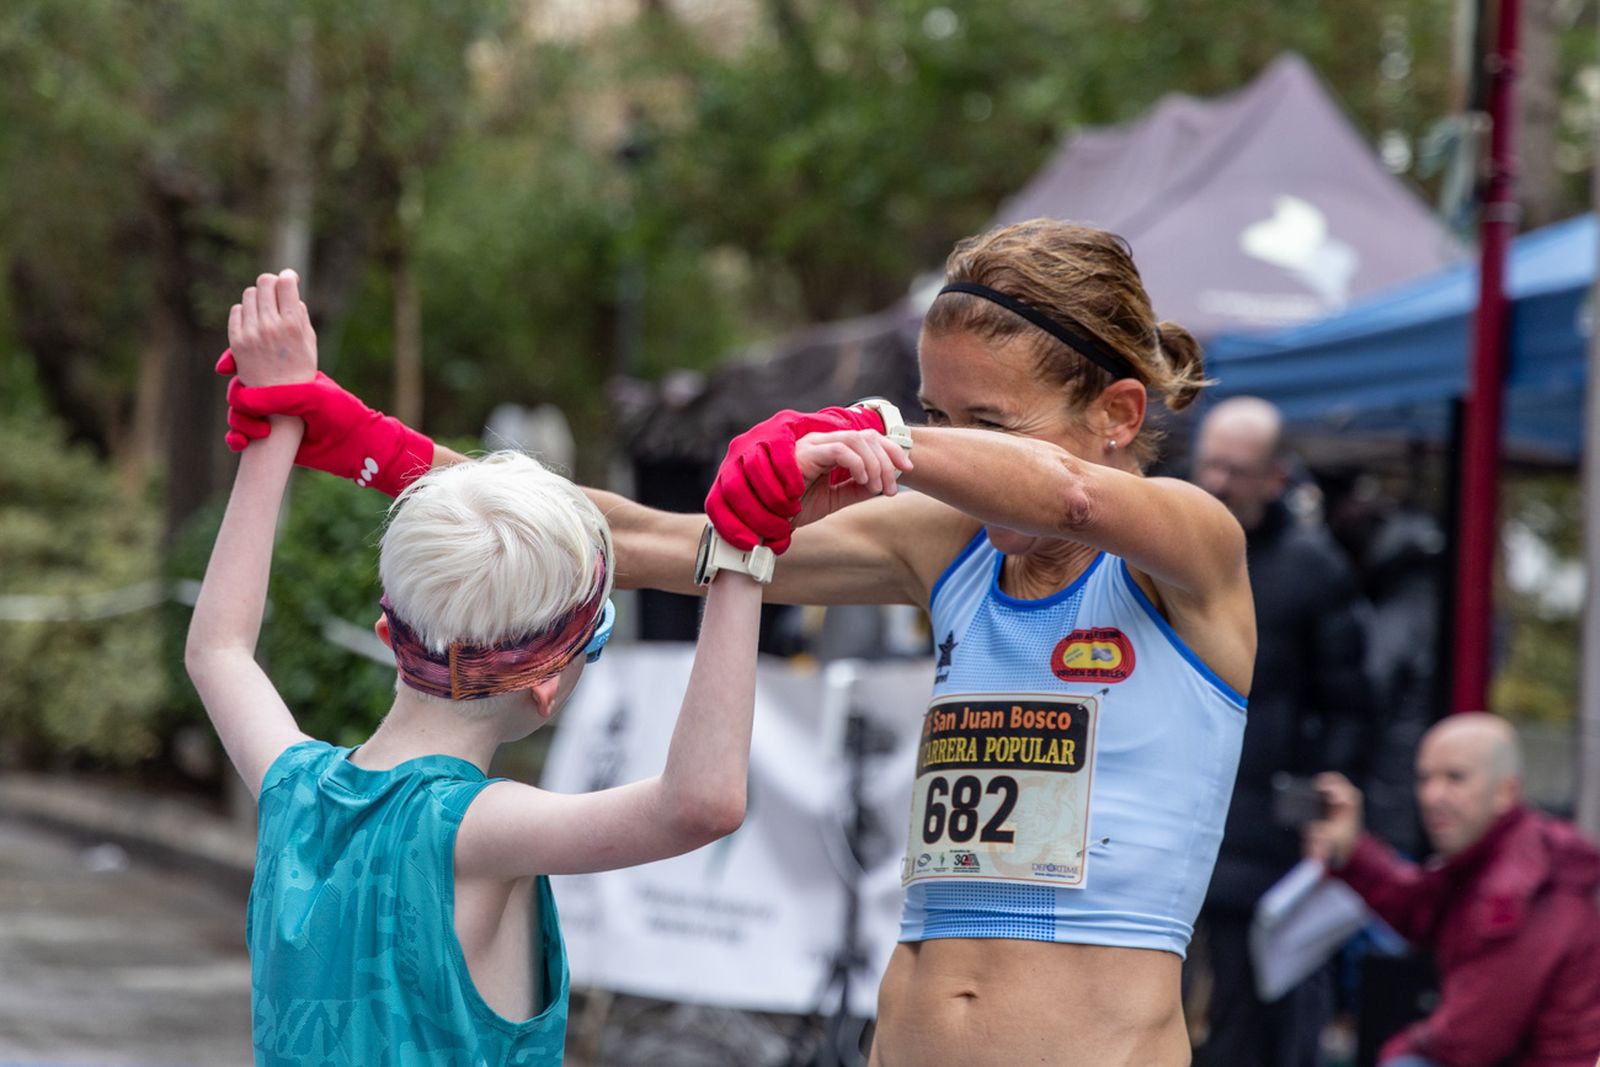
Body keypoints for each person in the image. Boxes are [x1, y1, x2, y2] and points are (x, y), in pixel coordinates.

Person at [222, 220, 1256, 1067]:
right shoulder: (944, 548)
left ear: (1119, 411)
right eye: (940, 413)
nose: (954, 455)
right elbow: (643, 542)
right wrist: (371, 446)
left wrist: (879, 436)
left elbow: (1071, 496)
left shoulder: (1190, 549)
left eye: (988, 425)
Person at [190, 270, 907, 1064]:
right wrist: (744, 546)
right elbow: (699, 803)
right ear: (550, 680)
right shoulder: (477, 830)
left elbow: (218, 647)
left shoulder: (292, 788)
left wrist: (276, 415)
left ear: (388, 628)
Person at [1188, 395, 1374, 1067]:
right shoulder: (1169, 540)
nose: (1217, 482)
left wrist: (1313, 802)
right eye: (1209, 463)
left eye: (1236, 470)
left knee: (1245, 1020)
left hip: (1260, 837)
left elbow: (1352, 705)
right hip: (1170, 819)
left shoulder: (1313, 568)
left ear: (1274, 477)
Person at [1305, 713, 1600, 1067]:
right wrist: (1352, 851)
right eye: (1424, 778)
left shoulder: (1516, 886)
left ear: (1506, 790)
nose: (1433, 796)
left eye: (1455, 778)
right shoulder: (1493, 857)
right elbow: (1420, 907)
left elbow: (1469, 1038)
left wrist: (1397, 1052)